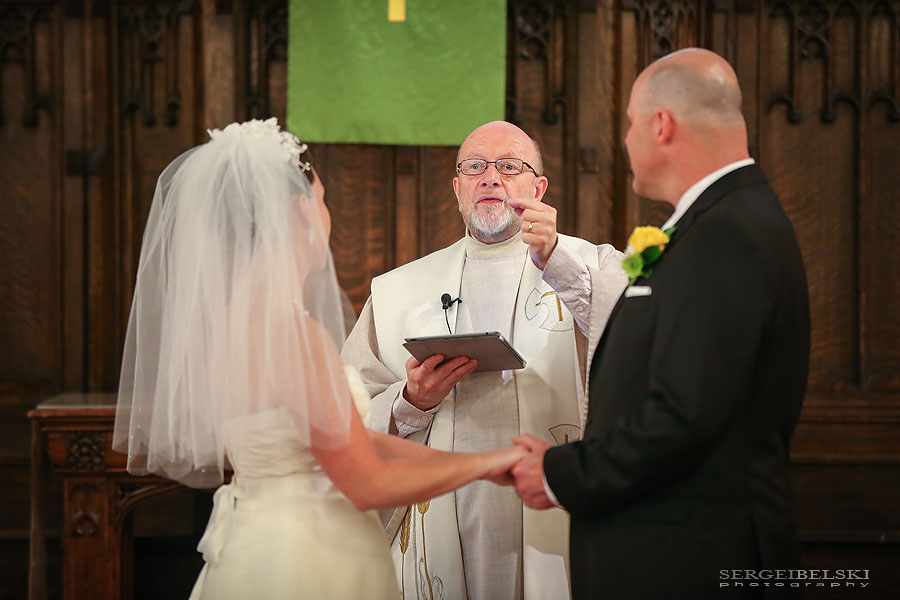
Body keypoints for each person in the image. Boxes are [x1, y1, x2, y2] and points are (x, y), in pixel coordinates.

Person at [112, 118, 526, 600]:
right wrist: (484, 467)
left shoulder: (231, 326)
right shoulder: (290, 334)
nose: (326, 214)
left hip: (256, 541)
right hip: (305, 552)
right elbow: (365, 482)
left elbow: (346, 439)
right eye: (323, 200)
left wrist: (477, 461)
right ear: (300, 213)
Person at [511, 48, 811, 599]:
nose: (626, 141)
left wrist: (560, 474)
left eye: (630, 124)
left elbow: (685, 414)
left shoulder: (726, 235)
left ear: (662, 125)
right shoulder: (720, 222)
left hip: (693, 559)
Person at [341, 120, 627, 599]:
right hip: (443, 508)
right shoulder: (397, 291)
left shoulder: (593, 266)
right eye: (475, 167)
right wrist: (412, 401)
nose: (490, 177)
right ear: (457, 189)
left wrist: (557, 259)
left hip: (553, 498)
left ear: (538, 188)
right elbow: (346, 413)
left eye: (509, 166)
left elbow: (638, 344)